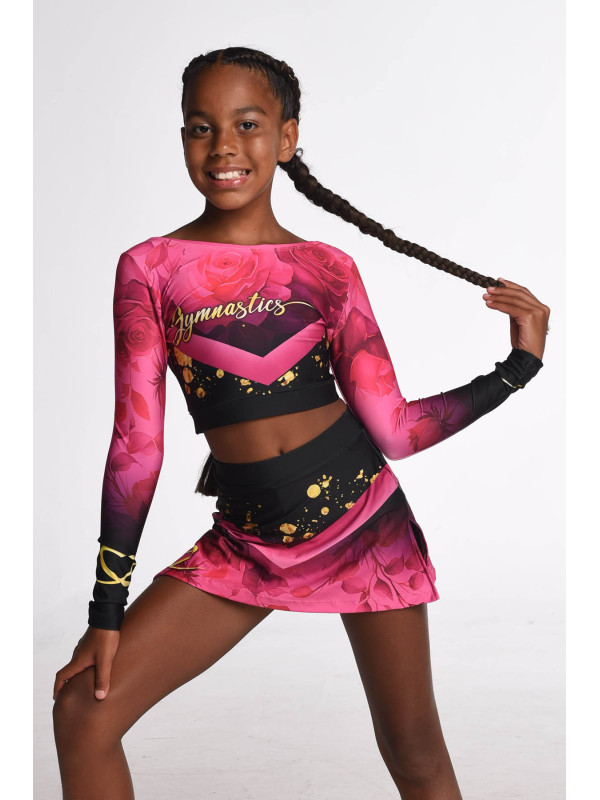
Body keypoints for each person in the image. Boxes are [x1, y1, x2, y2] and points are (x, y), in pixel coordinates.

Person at [52, 46, 550, 799]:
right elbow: (136, 446)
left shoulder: (327, 268)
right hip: (248, 539)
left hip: (366, 526)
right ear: (183, 138)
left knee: (415, 753)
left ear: (287, 137)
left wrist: (516, 369)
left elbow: (396, 430)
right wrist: (107, 610)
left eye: (248, 125)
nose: (224, 146)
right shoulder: (150, 268)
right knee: (83, 714)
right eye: (201, 127)